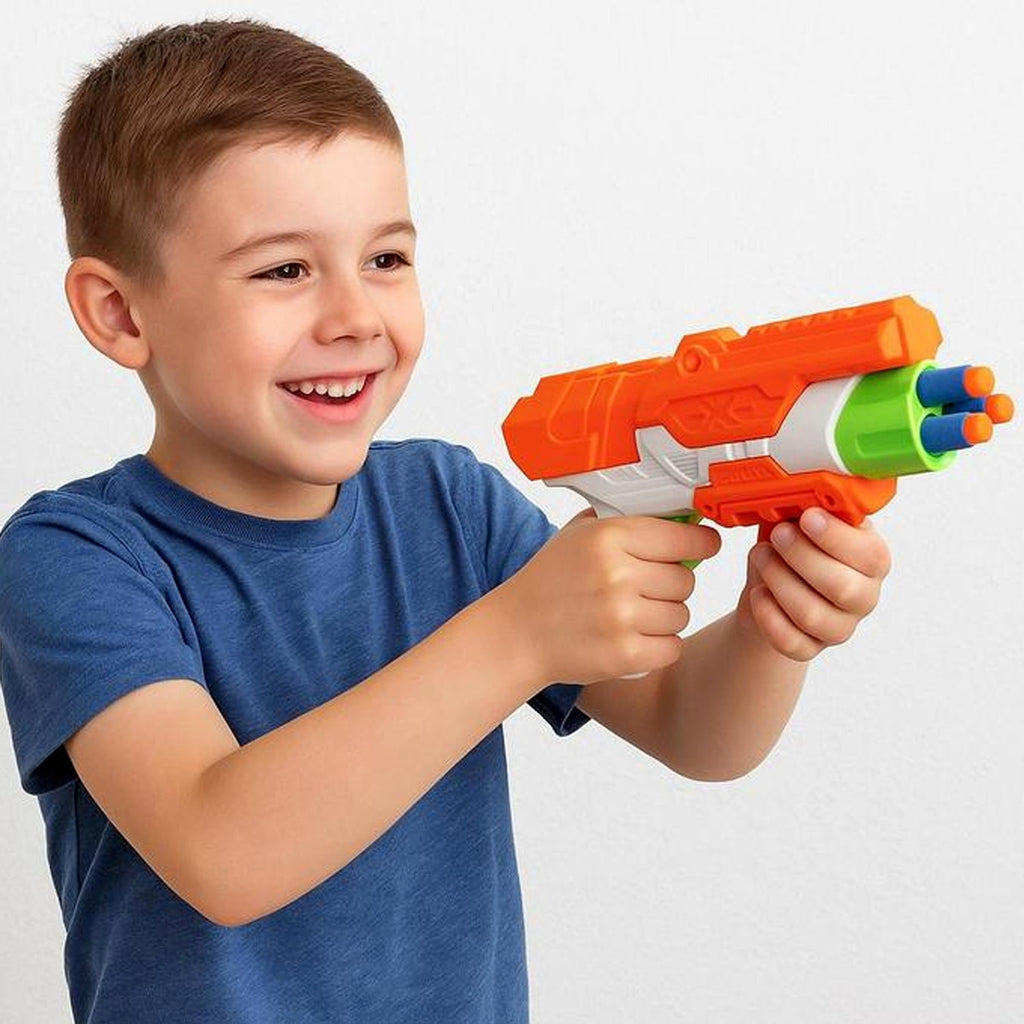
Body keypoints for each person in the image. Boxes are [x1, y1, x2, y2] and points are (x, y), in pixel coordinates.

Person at [0, 17, 892, 1024]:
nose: (355, 316)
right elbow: (221, 852)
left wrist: (775, 630)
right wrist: (517, 635)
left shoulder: (449, 504)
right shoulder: (74, 555)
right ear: (120, 314)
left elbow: (692, 730)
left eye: (386, 257)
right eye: (284, 269)